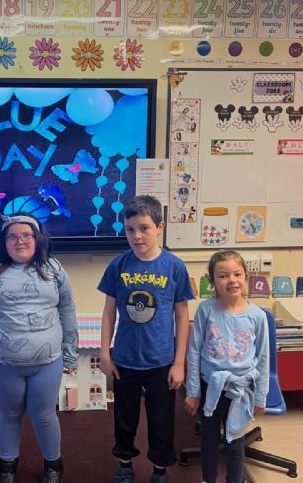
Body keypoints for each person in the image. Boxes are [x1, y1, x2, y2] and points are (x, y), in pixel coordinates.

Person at [0, 213, 78, 483]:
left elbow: (67, 310)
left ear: (37, 238)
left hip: (48, 362)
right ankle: (7, 467)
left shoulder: (54, 269)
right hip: (3, 363)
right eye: (13, 237)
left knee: (44, 416)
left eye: (26, 235)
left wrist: (71, 353)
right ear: (4, 241)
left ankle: (54, 466)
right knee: (9, 415)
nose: (20, 241)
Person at [98, 195, 194, 483]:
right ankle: (125, 465)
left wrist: (179, 362)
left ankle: (160, 469)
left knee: (161, 422)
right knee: (124, 419)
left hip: (161, 362)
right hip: (125, 360)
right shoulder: (118, 265)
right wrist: (105, 353)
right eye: (130, 229)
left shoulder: (174, 267)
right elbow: (108, 312)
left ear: (160, 227)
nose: (137, 236)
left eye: (144, 228)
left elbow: (182, 316)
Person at [184, 250, 270, 483]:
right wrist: (193, 391)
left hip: (241, 390)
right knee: (209, 439)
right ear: (212, 282)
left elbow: (263, 358)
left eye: (237, 274)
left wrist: (260, 397)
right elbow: (194, 351)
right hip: (210, 385)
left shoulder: (257, 316)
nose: (231, 280)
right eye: (222, 276)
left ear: (246, 277)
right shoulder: (206, 310)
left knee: (235, 443)